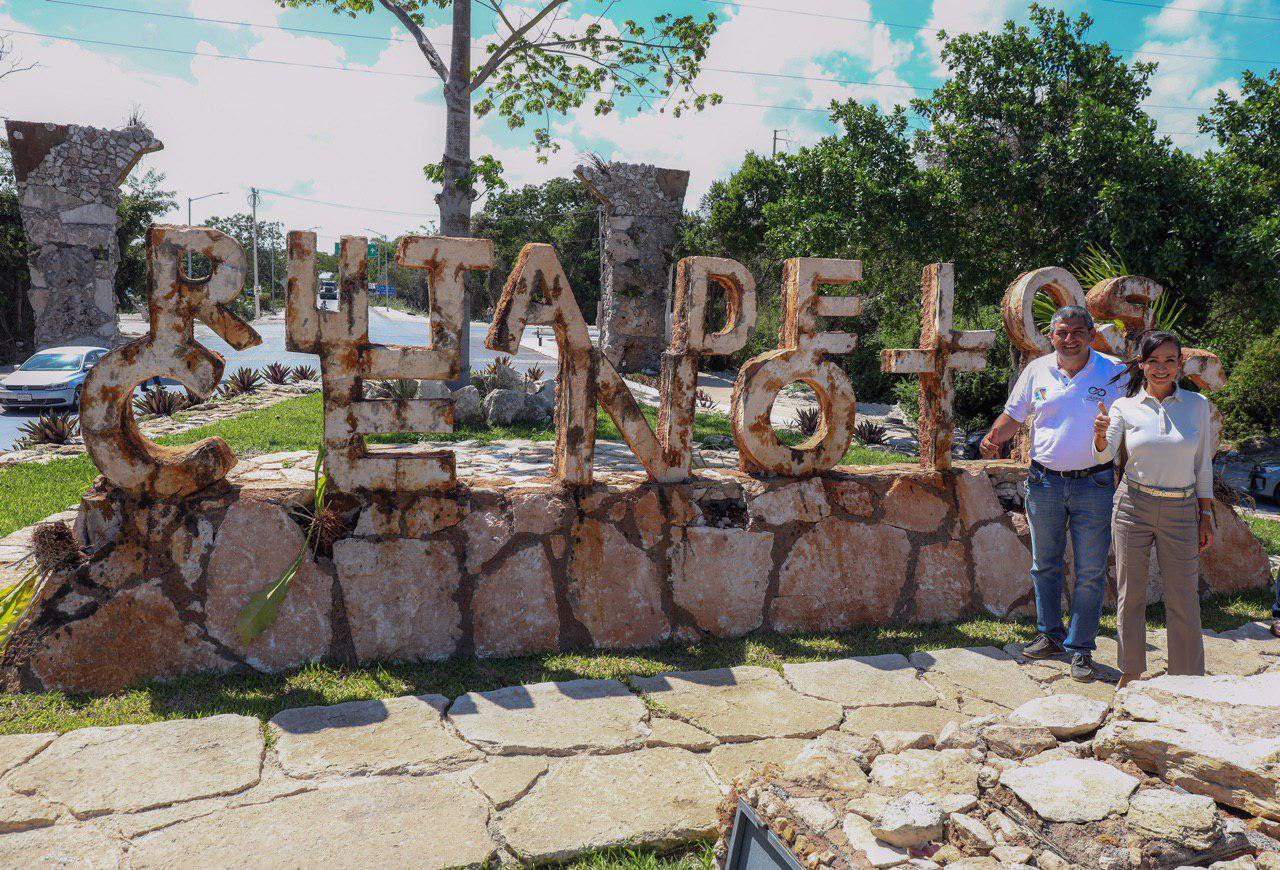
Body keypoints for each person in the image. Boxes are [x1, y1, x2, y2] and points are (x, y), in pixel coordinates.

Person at [981, 306, 1126, 682]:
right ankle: (1049, 635)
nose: (1069, 338)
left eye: (1078, 331)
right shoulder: (1037, 370)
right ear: (1051, 336)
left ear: (1091, 334)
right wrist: (993, 437)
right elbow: (1014, 415)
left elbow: (1132, 421)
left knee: (1091, 571)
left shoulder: (1114, 371)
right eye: (1062, 332)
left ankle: (1081, 649)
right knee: (1045, 564)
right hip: (1044, 482)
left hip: (1094, 483)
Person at [1093, 331, 1213, 687]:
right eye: (1154, 361)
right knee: (1131, 593)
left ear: (1180, 365)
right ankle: (1130, 672)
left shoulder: (1198, 405)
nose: (1161, 369)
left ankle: (1187, 677)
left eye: (1170, 361)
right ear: (1142, 364)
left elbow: (1202, 464)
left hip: (1181, 509)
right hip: (1133, 505)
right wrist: (1100, 435)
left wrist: (1205, 515)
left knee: (1184, 597)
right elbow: (1104, 453)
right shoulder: (1123, 407)